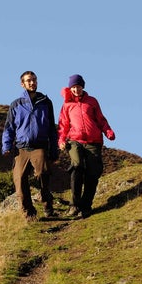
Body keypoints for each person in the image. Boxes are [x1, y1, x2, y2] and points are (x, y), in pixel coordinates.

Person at [2, 71, 58, 221]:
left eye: (34, 80)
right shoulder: (16, 104)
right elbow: (9, 127)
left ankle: (48, 205)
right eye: (29, 81)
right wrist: (6, 145)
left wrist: (54, 149)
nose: (32, 83)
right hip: (21, 148)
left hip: (39, 146)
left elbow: (52, 128)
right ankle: (29, 214)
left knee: (42, 174)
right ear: (22, 84)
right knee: (19, 181)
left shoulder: (46, 102)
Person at [58, 74, 115, 219]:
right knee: (77, 166)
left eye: (78, 86)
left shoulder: (92, 101)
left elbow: (100, 119)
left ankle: (86, 205)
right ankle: (74, 204)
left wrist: (107, 131)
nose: (76, 90)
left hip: (93, 141)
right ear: (70, 88)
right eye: (73, 87)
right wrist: (61, 140)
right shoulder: (66, 105)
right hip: (74, 140)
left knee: (93, 173)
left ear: (82, 86)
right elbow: (63, 125)